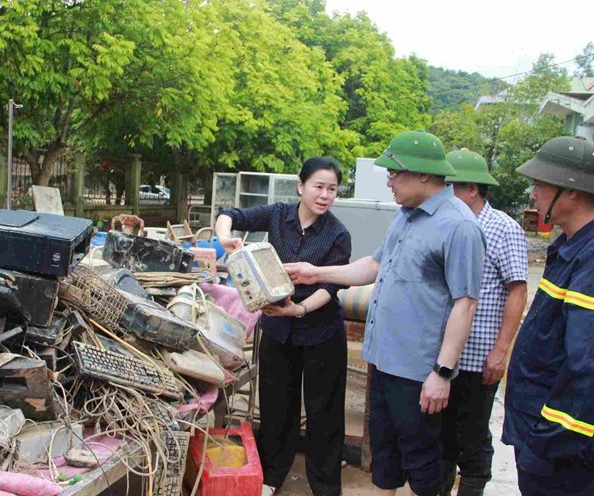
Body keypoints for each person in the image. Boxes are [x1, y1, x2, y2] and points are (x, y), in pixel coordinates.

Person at [286, 131, 485, 496]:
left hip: (418, 372)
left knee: (423, 466)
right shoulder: (406, 216)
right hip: (383, 361)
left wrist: (441, 372)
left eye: (394, 173)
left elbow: (465, 303)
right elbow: (374, 265)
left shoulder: (459, 227)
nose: (389, 181)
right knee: (385, 460)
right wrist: (317, 273)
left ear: (423, 175)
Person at [503, 136, 594, 496]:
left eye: (539, 184)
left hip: (558, 451)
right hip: (543, 440)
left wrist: (546, 442)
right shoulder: (576, 244)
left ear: (570, 191)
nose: (532, 194)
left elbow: (592, 368)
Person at [215, 157, 351, 496]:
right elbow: (231, 214)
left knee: (324, 414)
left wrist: (299, 309)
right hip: (277, 331)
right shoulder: (277, 215)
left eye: (331, 189)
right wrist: (225, 238)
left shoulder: (338, 234)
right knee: (277, 408)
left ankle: (325, 486)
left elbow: (330, 288)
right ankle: (271, 477)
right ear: (300, 186)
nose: (324, 195)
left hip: (321, 332)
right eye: (318, 186)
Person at [439, 149, 528, 496]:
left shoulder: (503, 228)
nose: (445, 195)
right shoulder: (447, 225)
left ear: (472, 188)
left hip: (478, 358)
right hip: (445, 355)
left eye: (451, 187)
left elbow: (517, 291)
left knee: (472, 439)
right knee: (441, 437)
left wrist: (501, 351)